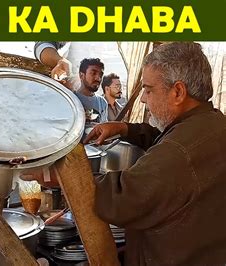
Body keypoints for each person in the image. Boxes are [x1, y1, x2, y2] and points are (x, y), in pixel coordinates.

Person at [84, 42, 226, 265]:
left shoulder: (179, 152)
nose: (142, 99)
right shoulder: (212, 122)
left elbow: (119, 198)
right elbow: (167, 136)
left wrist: (63, 178)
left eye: (148, 90)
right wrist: (124, 128)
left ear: (178, 92)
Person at [35, 42, 108, 123]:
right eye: (93, 73)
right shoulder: (67, 98)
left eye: (101, 75)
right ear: (81, 75)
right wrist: (60, 61)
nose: (98, 78)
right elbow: (43, 45)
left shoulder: (102, 103)